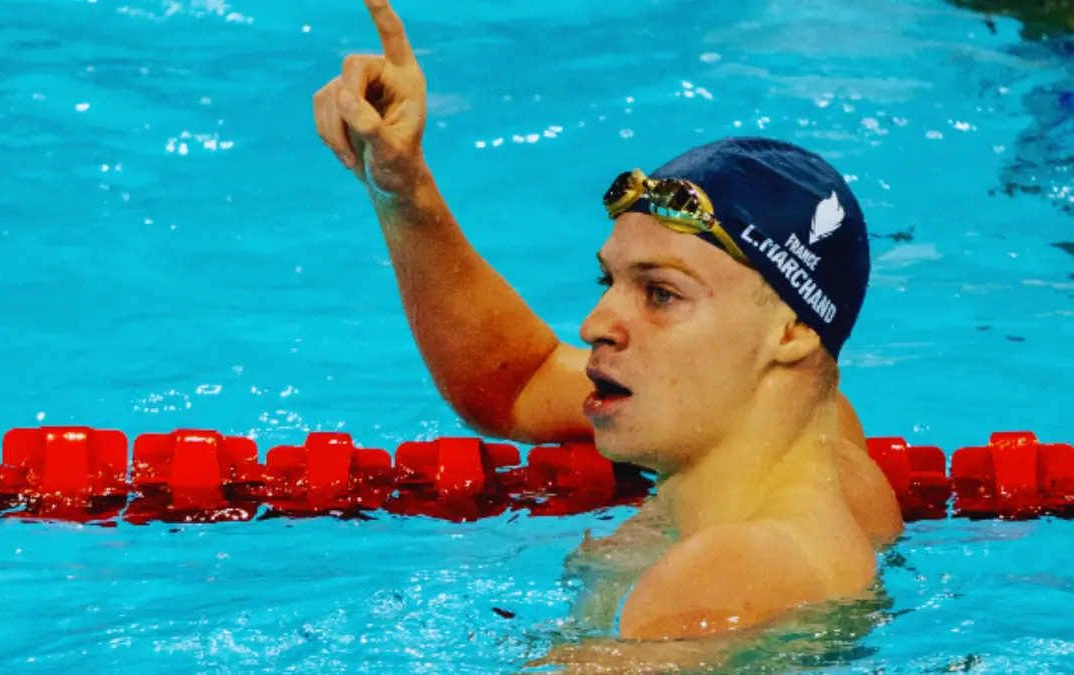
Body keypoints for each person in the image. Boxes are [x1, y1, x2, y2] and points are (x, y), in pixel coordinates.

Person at [312, 0, 905, 662]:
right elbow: (518, 381)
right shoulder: (828, 444)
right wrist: (402, 187)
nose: (595, 324)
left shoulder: (715, 581)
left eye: (661, 293)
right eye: (610, 284)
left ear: (790, 331)